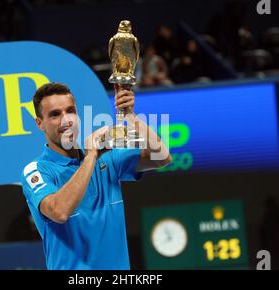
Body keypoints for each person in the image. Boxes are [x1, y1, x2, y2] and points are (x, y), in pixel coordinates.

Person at [21, 82, 171, 270]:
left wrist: (130, 117)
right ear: (39, 123)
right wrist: (91, 156)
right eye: (55, 114)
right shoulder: (37, 170)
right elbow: (59, 211)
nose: (66, 120)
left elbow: (161, 157)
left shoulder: (106, 158)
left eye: (70, 111)